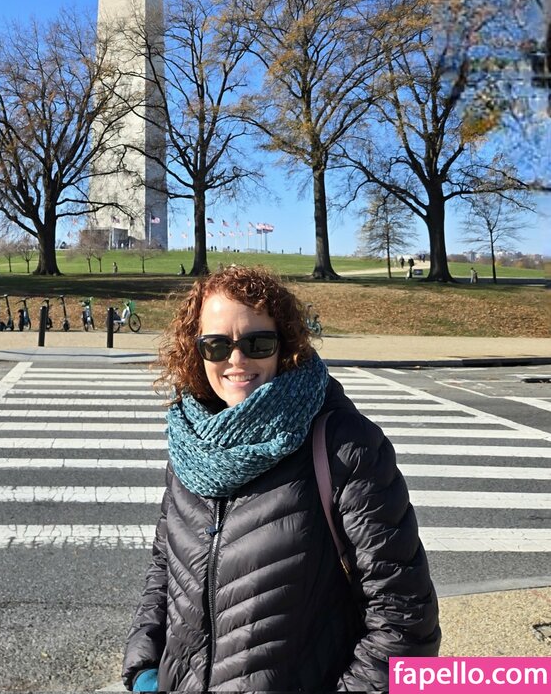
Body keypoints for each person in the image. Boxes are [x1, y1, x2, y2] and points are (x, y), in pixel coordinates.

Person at [123, 266, 439, 693]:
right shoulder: (190, 445)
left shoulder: (346, 446)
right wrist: (144, 665)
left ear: (284, 346)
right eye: (217, 345)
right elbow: (164, 571)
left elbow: (404, 621)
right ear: (196, 351)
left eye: (258, 343)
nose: (237, 360)